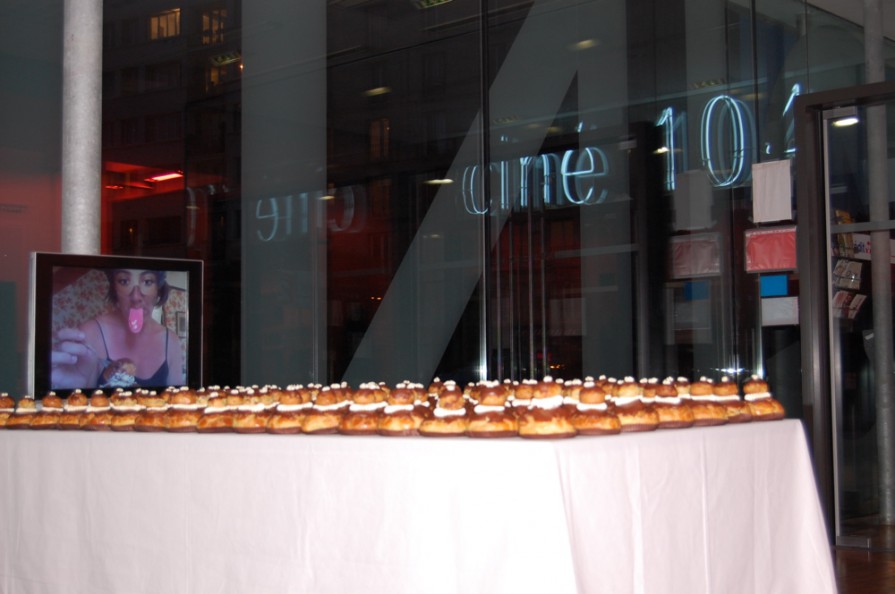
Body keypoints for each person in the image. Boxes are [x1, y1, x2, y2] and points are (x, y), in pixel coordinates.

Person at [51, 269, 185, 389]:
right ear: (114, 288)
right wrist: (72, 393)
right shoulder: (91, 332)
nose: (136, 297)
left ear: (158, 289)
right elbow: (82, 403)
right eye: (124, 281)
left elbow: (178, 405)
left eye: (148, 282)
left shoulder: (170, 341)